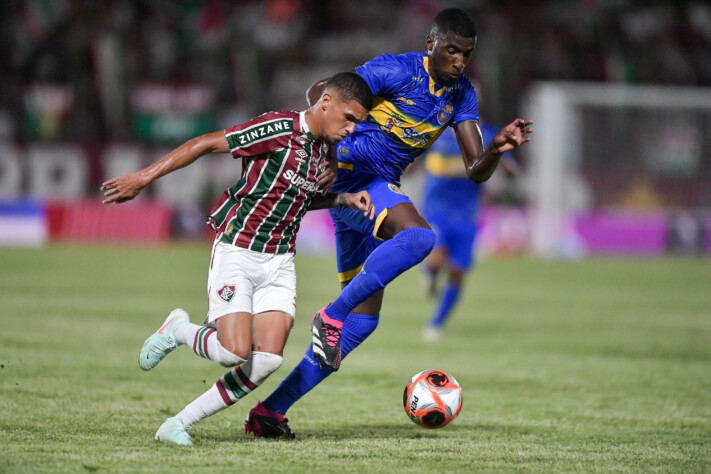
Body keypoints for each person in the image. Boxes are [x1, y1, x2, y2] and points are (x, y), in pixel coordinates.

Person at [245, 7, 533, 438]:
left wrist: (496, 148)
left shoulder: (461, 95)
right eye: (451, 51)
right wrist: (323, 153)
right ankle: (330, 315)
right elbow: (323, 92)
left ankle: (269, 412)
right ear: (431, 44)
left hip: (369, 196)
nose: (459, 62)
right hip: (348, 180)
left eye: (467, 55)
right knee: (418, 238)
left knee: (362, 323)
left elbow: (476, 169)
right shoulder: (395, 70)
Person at [101, 72, 375, 446]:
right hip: (239, 250)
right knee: (233, 352)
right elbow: (205, 143)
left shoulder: (322, 154)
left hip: (280, 262)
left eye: (358, 123)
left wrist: (344, 198)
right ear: (326, 103)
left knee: (267, 360)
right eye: (349, 118)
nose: (351, 129)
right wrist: (143, 178)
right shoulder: (278, 128)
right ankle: (179, 329)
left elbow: (295, 196)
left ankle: (176, 424)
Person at [420, 119, 515, 342]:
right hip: (437, 210)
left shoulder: (488, 134)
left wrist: (506, 163)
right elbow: (414, 157)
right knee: (436, 259)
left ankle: (436, 323)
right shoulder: (436, 131)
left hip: (467, 215)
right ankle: (431, 274)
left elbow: (509, 168)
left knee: (458, 272)